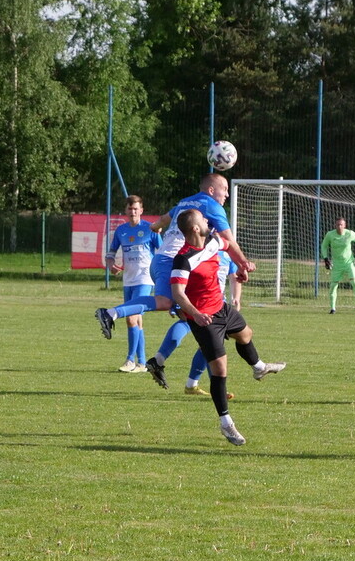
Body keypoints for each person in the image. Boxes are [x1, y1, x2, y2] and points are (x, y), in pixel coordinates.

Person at [92, 173, 256, 388]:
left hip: (162, 260)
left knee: (187, 318)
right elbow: (229, 241)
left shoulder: (185, 202)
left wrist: (155, 228)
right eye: (224, 189)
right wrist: (243, 264)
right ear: (211, 190)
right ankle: (111, 313)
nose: (226, 194)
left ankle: (160, 362)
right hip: (170, 262)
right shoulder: (212, 206)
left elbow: (160, 221)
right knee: (167, 303)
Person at [168, 209, 286, 446]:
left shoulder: (212, 240)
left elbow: (229, 245)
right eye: (202, 219)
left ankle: (259, 368)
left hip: (221, 308)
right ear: (195, 228)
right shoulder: (183, 258)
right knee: (220, 369)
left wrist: (241, 264)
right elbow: (178, 293)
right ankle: (226, 423)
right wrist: (196, 315)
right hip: (204, 319)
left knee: (246, 334)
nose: (207, 220)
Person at [104, 195, 160, 373]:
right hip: (128, 280)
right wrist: (111, 264)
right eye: (130, 209)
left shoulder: (150, 229)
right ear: (126, 210)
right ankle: (142, 363)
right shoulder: (121, 231)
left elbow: (163, 250)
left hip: (145, 279)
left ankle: (130, 360)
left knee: (131, 318)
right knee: (137, 321)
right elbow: (110, 253)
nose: (133, 212)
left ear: (141, 210)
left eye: (136, 209)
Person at [183, 250, 241, 398]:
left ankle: (191, 384)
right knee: (212, 347)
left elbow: (234, 277)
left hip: (220, 306)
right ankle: (216, 389)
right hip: (203, 305)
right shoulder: (201, 252)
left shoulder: (227, 255)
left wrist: (236, 298)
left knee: (209, 347)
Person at [321, 216, 355, 315]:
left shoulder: (349, 234)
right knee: (333, 286)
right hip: (337, 265)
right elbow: (324, 246)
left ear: (345, 225)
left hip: (349, 264)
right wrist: (326, 259)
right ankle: (333, 309)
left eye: (341, 225)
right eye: (338, 225)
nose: (339, 226)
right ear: (335, 225)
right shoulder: (330, 235)